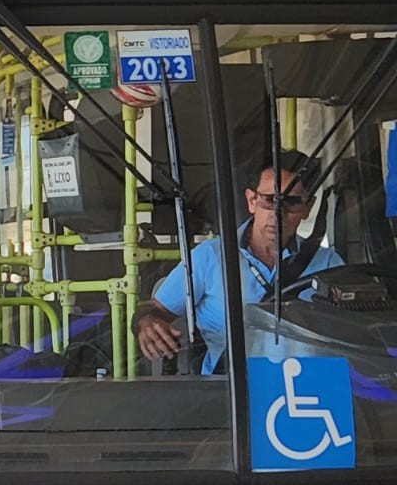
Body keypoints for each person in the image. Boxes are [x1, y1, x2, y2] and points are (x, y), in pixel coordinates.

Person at [134, 151, 344, 374]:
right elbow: (153, 310)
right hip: (228, 390)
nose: (277, 213)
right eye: (270, 200)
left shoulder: (329, 265)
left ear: (307, 208)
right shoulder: (211, 256)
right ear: (252, 201)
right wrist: (147, 324)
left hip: (308, 391)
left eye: (291, 203)